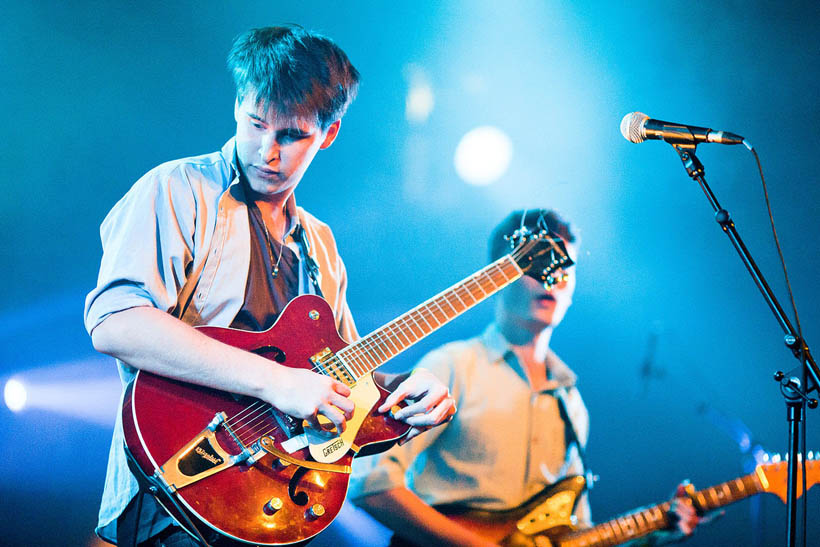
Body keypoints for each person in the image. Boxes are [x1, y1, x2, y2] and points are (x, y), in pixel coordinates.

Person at [84, 26, 456, 546]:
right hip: (173, 492)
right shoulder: (176, 189)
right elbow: (115, 323)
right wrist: (276, 383)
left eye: (292, 134)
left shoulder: (321, 245)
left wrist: (409, 395)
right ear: (238, 103)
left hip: (275, 506)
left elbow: (341, 377)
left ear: (328, 134)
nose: (268, 151)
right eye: (256, 123)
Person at [349, 209, 701, 546]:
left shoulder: (571, 402)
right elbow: (371, 484)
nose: (553, 277)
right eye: (537, 263)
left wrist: (656, 531)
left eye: (565, 267)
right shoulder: (450, 365)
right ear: (496, 276)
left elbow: (576, 533)